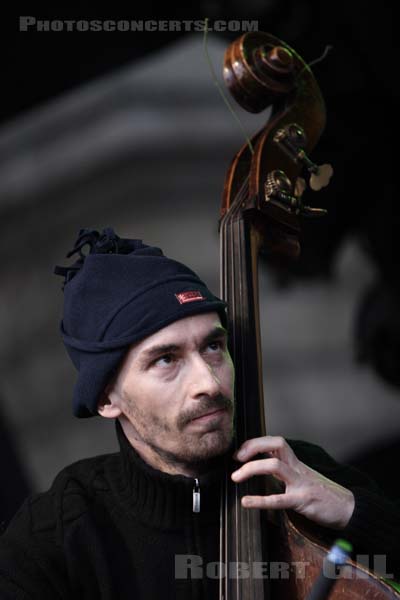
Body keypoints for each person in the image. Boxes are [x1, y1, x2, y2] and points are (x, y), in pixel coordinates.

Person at [0, 227, 399, 600]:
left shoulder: (301, 473)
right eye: (166, 359)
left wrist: (353, 511)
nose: (209, 382)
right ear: (106, 399)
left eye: (212, 346)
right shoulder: (59, 532)